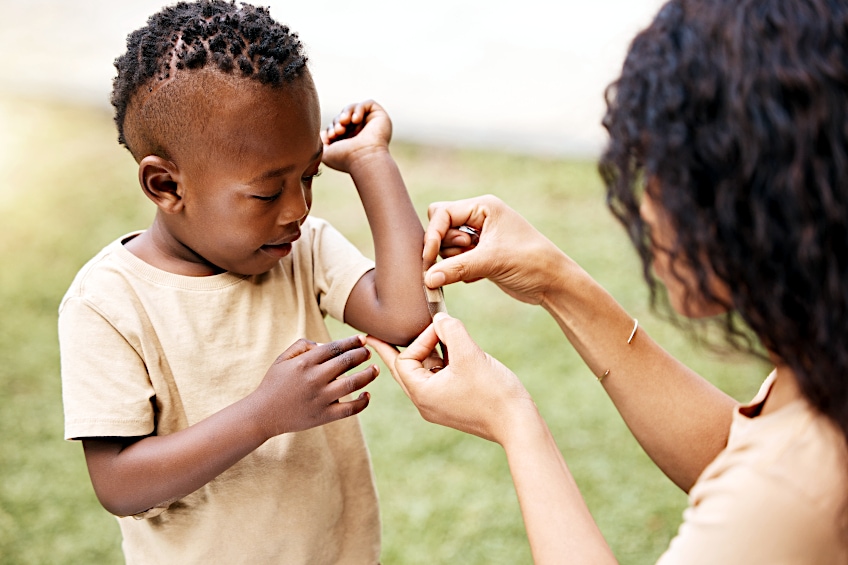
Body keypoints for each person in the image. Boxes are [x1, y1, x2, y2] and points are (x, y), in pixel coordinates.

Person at [368, 0, 848, 562]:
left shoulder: (792, 488)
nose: (645, 206)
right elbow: (738, 454)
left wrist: (512, 417)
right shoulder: (818, 385)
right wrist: (554, 280)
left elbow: (766, 494)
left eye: (663, 174)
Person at [58, 1, 430, 563]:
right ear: (165, 185)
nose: (297, 209)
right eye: (266, 192)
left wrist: (372, 160)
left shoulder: (302, 251)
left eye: (309, 176)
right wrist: (263, 415)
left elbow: (406, 316)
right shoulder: (108, 304)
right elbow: (120, 483)